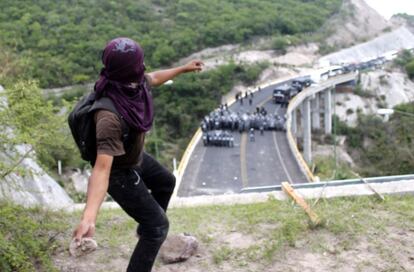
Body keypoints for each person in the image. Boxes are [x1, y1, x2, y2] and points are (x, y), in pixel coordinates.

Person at [72, 37, 203, 272]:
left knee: (166, 182)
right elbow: (102, 169)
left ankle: (146, 234)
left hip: (132, 156)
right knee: (158, 227)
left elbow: (153, 79)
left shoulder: (130, 82)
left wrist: (182, 69)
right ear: (131, 69)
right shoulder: (108, 117)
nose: (142, 68)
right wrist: (89, 217)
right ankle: (151, 233)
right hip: (117, 172)